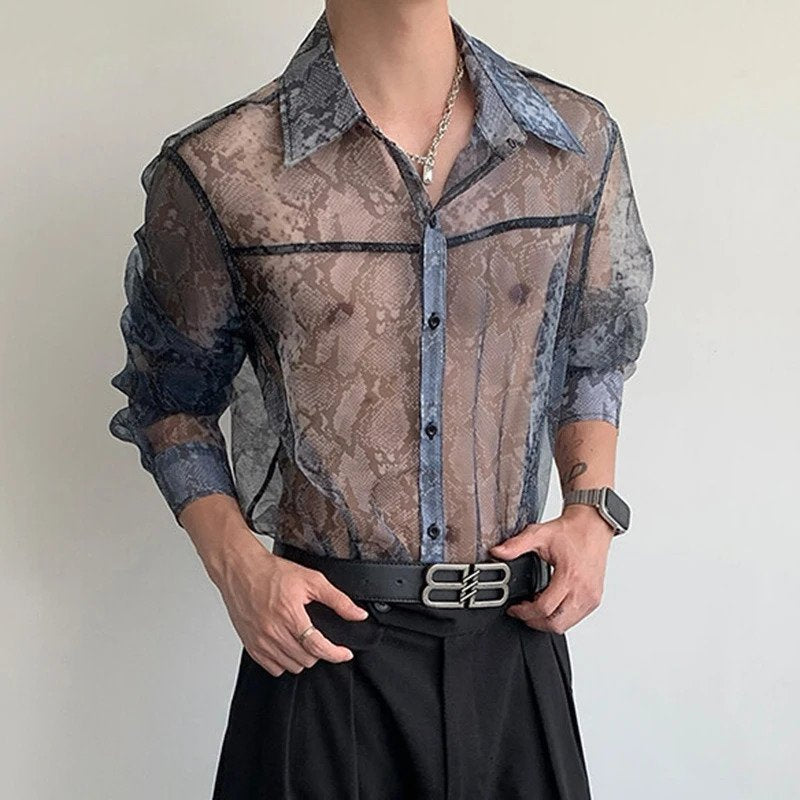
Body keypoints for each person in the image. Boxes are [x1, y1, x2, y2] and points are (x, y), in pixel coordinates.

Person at [108, 1, 654, 797]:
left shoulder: (571, 143)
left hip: (512, 649)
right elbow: (169, 398)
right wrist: (237, 568)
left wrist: (591, 510)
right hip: (324, 653)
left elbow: (593, 348)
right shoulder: (224, 167)